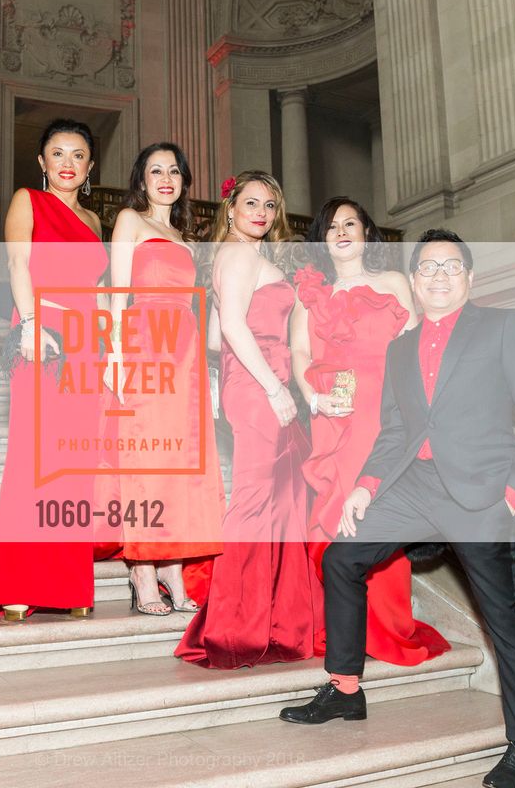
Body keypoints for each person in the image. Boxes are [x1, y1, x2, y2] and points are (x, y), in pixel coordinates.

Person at [280, 229, 515, 788]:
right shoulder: (401, 348)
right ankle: (345, 689)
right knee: (341, 559)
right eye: (428, 267)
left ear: (469, 277)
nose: (439, 276)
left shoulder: (503, 327)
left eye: (450, 266)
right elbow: (395, 430)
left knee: (504, 617)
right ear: (413, 281)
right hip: (414, 486)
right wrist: (365, 487)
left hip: (482, 495)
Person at [290, 197, 449, 666]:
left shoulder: (394, 282)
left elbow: (418, 348)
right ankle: (342, 628)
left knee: (382, 512)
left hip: (387, 417)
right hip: (336, 416)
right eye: (332, 226)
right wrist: (314, 399)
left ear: (366, 233)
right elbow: (299, 354)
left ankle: (386, 626)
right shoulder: (310, 294)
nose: (341, 232)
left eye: (350, 224)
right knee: (337, 513)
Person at [175, 171, 322, 668]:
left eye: (269, 205)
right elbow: (234, 327)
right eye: (251, 202)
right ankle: (230, 628)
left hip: (254, 383)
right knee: (254, 504)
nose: (260, 212)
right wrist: (273, 384)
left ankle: (269, 621)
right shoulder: (238, 254)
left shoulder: (241, 256)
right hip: (262, 389)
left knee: (277, 503)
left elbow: (217, 337)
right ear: (231, 209)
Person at [0, 119, 107, 620]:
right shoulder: (27, 201)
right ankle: (19, 582)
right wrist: (31, 326)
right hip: (41, 334)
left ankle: (66, 585)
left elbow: (98, 291)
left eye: (78, 155)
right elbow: (17, 265)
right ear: (41, 161)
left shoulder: (94, 221)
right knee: (33, 459)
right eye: (58, 153)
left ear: (90, 166)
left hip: (85, 345)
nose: (67, 163)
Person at [105, 142, 224, 615]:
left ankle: (172, 564)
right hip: (145, 342)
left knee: (179, 461)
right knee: (146, 458)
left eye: (174, 171)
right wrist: (115, 354)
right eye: (156, 171)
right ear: (142, 179)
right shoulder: (130, 221)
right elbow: (118, 293)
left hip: (185, 352)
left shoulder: (186, 238)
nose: (166, 179)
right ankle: (142, 567)